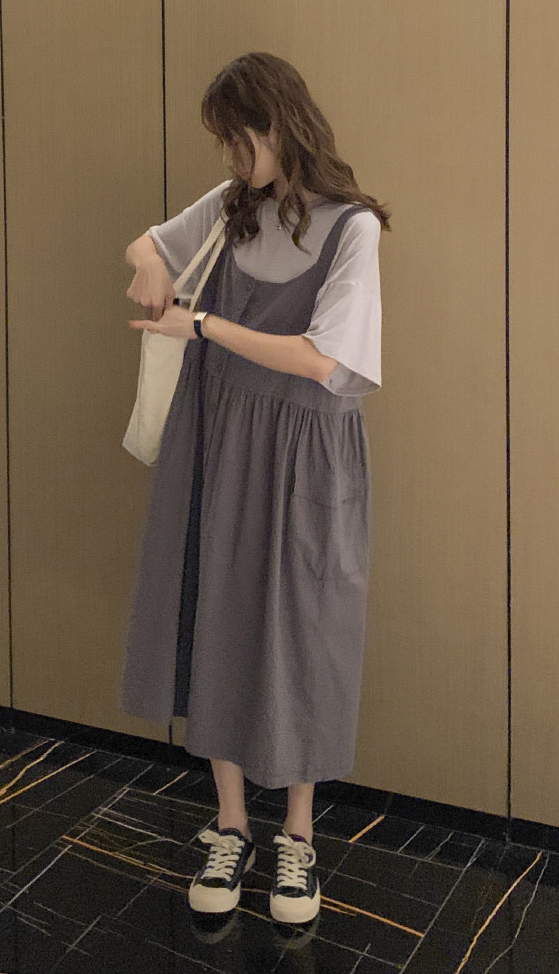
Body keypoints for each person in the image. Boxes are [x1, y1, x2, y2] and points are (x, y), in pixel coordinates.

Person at [120, 52, 388, 925]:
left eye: (239, 138)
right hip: (219, 433)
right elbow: (148, 244)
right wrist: (148, 262)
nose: (232, 156)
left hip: (308, 450)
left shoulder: (352, 228)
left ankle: (298, 837)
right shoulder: (232, 205)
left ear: (278, 125)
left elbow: (322, 358)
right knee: (218, 612)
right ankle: (231, 824)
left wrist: (201, 322)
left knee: (305, 627)